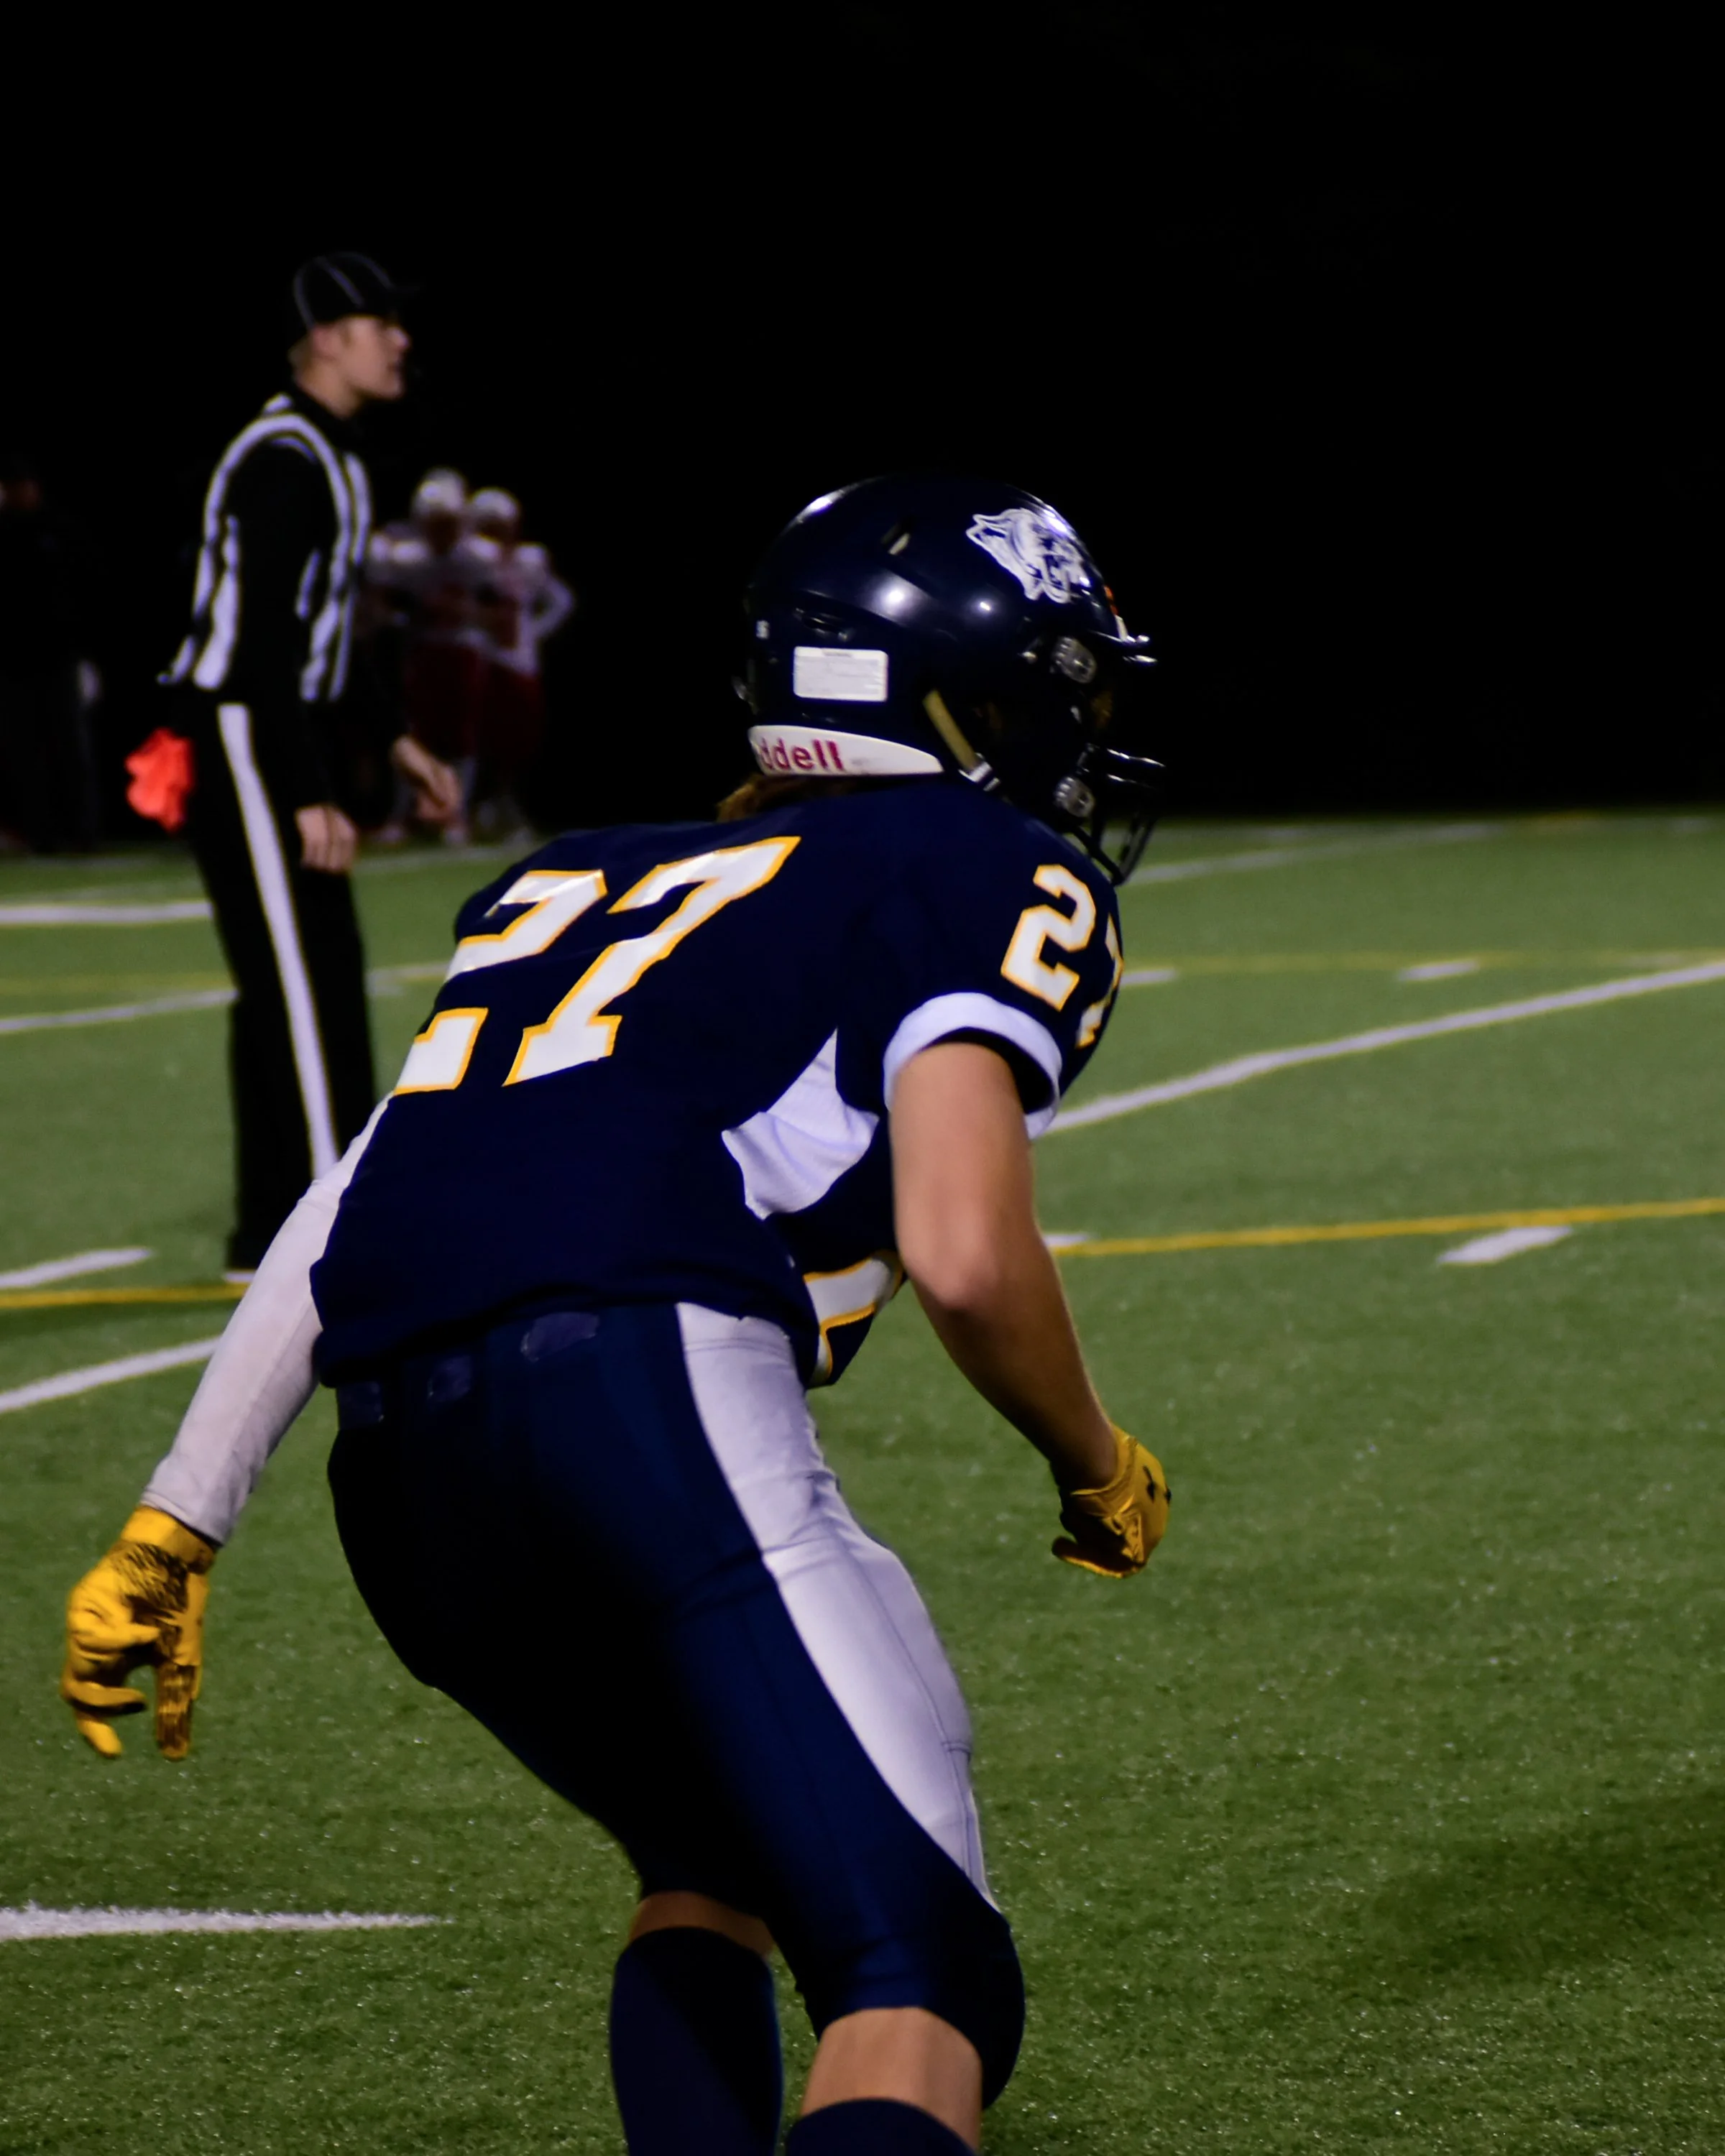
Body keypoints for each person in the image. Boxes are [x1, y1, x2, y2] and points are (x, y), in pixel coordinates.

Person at [62, 476, 1169, 2156]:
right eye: (1050, 679)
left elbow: (341, 1211)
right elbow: (960, 1248)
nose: (1067, 724)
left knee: (712, 1857)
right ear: (950, 686)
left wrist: (176, 1518)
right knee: (915, 1965)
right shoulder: (982, 859)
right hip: (640, 1392)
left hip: (404, 1482)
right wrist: (1092, 1461)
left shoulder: (569, 880)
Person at [144, 253, 461, 1274]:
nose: (399, 339)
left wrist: (396, 736)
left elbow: (333, 629)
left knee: (308, 971)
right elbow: (264, 646)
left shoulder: (334, 452)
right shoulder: (283, 456)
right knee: (297, 981)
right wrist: (308, 785)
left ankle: (269, 1225)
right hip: (242, 726)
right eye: (380, 323)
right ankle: (332, 1237)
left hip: (275, 724)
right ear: (327, 337)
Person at [466, 486, 574, 837]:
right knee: (480, 743)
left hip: (518, 664)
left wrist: (534, 634)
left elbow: (560, 601)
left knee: (517, 746)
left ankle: (504, 809)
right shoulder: (470, 562)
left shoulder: (528, 561)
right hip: (482, 662)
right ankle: (477, 811)